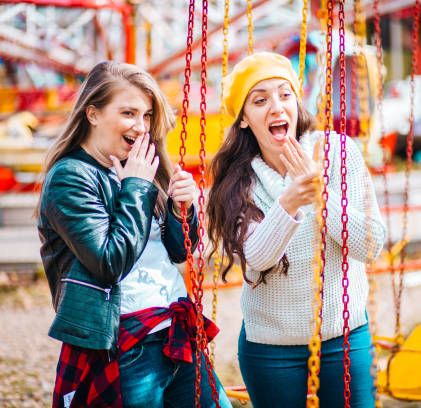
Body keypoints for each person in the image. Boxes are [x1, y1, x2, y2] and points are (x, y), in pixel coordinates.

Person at [37, 60, 232, 408]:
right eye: (129, 113)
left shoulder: (137, 166)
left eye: (146, 116)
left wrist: (179, 210)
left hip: (174, 326)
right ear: (92, 113)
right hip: (124, 339)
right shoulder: (71, 177)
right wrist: (137, 188)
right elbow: (109, 261)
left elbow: (178, 252)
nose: (141, 127)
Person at [206, 52, 386, 408]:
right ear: (244, 118)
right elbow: (256, 260)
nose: (276, 107)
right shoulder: (237, 180)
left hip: (344, 337)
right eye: (260, 100)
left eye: (284, 95)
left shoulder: (339, 152)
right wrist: (289, 202)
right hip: (271, 348)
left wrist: (320, 193)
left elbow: (371, 244)